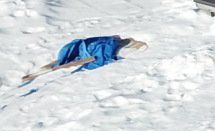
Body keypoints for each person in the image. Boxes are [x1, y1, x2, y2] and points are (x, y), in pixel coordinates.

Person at [19, 35, 147, 84]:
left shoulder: (110, 47)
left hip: (95, 49)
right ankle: (37, 74)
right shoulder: (108, 45)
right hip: (91, 48)